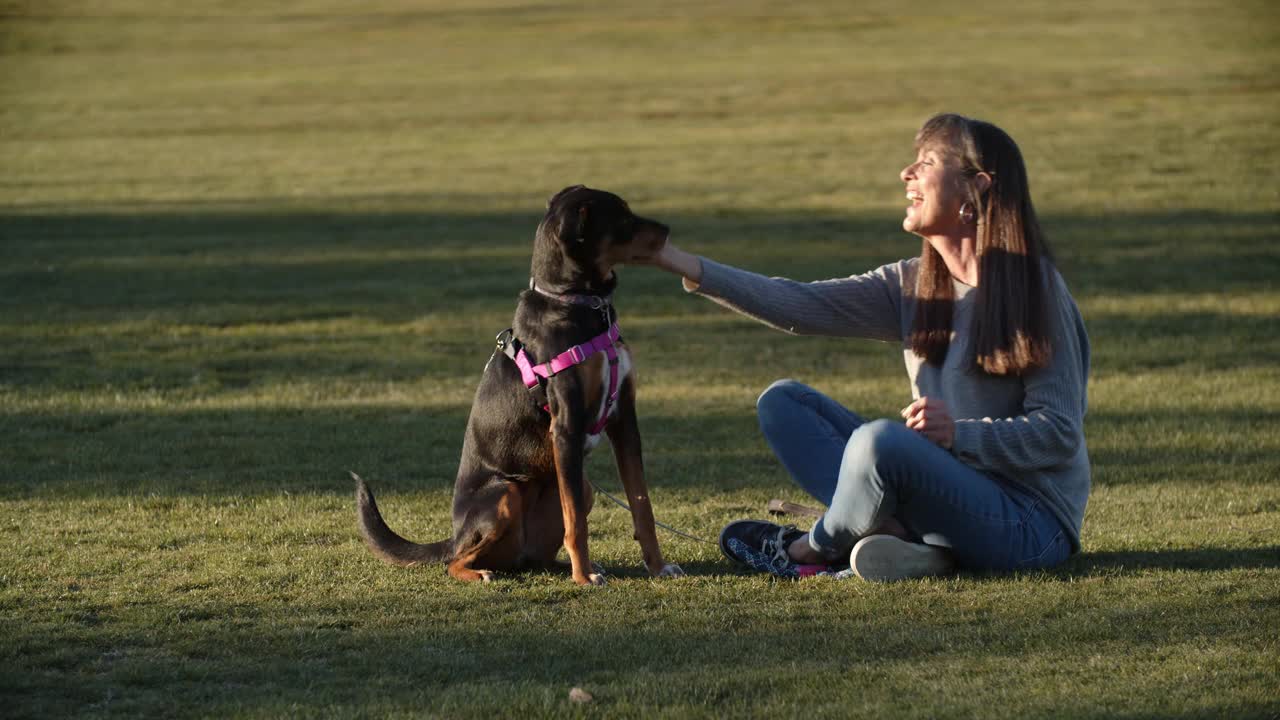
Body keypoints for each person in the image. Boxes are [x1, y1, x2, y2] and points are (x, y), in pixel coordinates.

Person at [644, 113, 1090, 581]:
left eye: (927, 163)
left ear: (975, 189)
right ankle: (912, 544)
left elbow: (1059, 432)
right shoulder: (911, 284)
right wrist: (675, 260)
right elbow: (797, 304)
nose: (907, 174)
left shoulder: (1035, 290)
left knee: (881, 442)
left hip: (1031, 525)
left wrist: (958, 434)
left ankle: (808, 549)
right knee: (784, 403)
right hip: (947, 498)